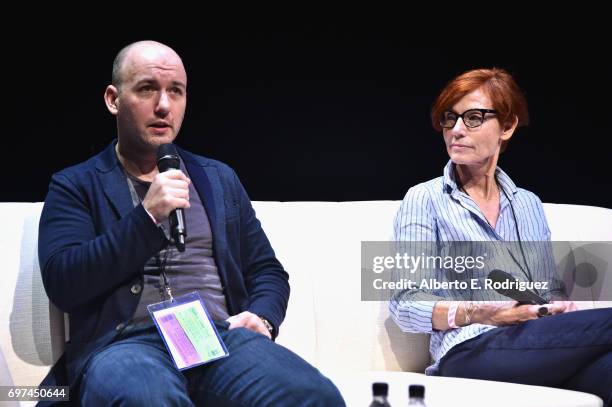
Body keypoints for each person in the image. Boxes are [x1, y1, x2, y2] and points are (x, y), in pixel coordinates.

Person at [38, 40, 344, 406]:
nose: (164, 105)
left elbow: (266, 270)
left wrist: (263, 319)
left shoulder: (217, 178)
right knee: (147, 399)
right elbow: (64, 282)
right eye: (147, 88)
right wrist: (146, 218)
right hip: (126, 346)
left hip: (214, 339)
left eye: (176, 91)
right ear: (113, 99)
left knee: (315, 395)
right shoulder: (76, 184)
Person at [389, 68, 611, 405]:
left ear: (506, 127)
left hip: (533, 341)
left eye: (474, 118)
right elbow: (404, 303)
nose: (457, 130)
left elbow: (546, 287)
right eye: (450, 119)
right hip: (468, 349)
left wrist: (557, 304)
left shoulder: (527, 204)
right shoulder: (425, 199)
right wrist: (482, 312)